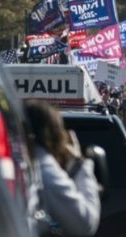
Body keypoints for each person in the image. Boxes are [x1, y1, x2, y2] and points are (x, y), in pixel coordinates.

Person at [26, 101, 101, 237]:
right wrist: (80, 164)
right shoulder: (45, 170)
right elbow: (85, 224)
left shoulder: (16, 162)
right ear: (53, 134)